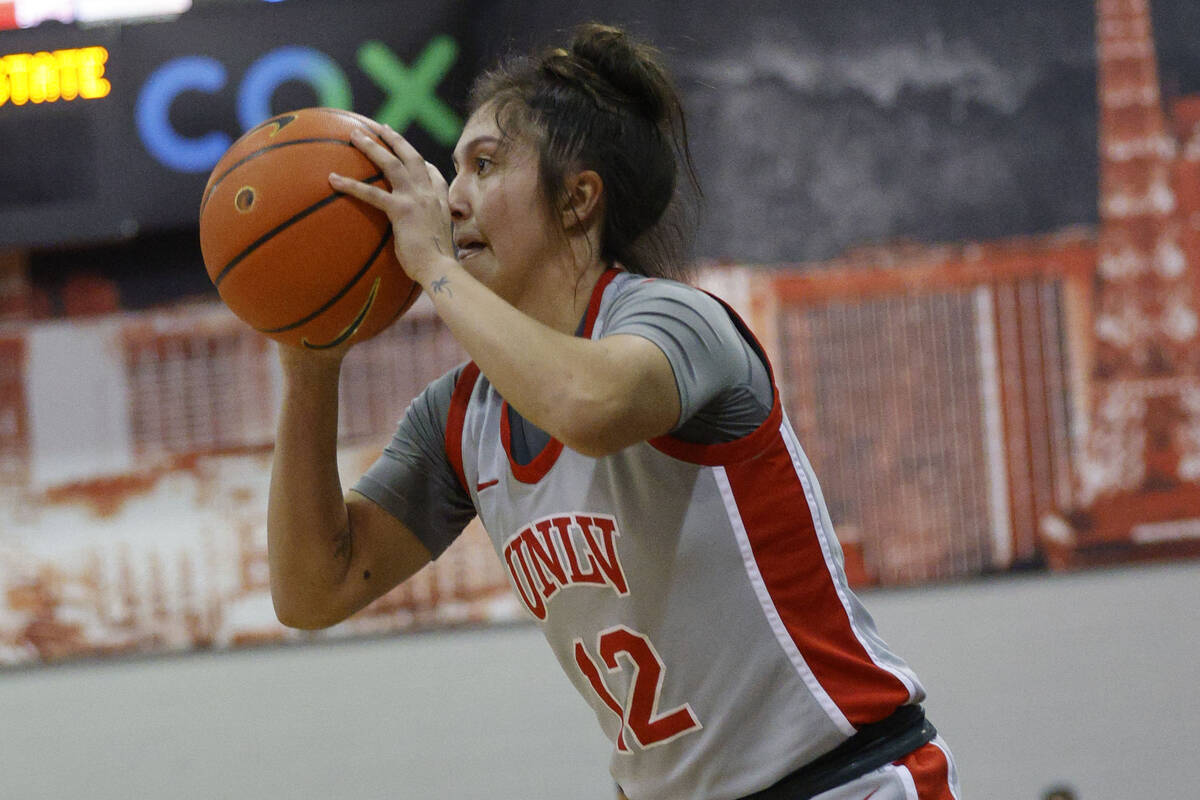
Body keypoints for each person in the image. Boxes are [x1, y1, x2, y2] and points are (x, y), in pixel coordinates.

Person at [268, 22, 961, 800]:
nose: (450, 196)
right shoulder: (459, 418)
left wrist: (428, 264)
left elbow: (587, 408)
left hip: (842, 779)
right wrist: (309, 366)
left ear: (578, 199)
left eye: (485, 166)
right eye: (453, 167)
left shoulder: (676, 321)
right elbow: (311, 591)